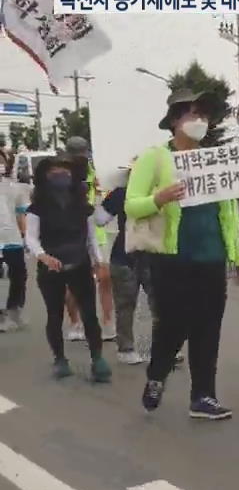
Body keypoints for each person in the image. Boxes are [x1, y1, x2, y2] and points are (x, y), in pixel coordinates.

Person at [127, 88, 239, 420]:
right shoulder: (155, 157)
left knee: (208, 328)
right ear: (174, 121)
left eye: (204, 115)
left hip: (211, 258)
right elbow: (131, 204)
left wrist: (238, 256)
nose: (199, 121)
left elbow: (230, 212)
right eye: (191, 114)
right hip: (170, 258)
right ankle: (157, 375)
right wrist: (159, 198)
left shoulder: (214, 158)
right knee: (172, 326)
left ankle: (203, 397)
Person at [24, 156, 112, 382]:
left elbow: (91, 237)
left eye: (64, 170)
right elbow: (31, 238)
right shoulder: (37, 208)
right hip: (51, 268)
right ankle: (60, 360)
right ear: (44, 176)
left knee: (90, 315)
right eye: (54, 171)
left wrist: (99, 261)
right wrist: (43, 256)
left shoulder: (83, 206)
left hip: (80, 264)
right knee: (55, 315)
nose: (60, 174)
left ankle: (98, 359)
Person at [95, 161, 158, 365]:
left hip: (147, 255)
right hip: (130, 256)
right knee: (129, 305)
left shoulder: (125, 193)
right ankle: (127, 348)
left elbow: (100, 218)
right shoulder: (128, 194)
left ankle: (159, 346)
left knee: (156, 304)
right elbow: (99, 220)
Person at [64, 136, 115, 342]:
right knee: (73, 282)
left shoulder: (94, 171)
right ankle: (75, 323)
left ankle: (108, 322)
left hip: (97, 230)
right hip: (71, 232)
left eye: (83, 154)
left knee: (105, 278)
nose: (80, 159)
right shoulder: (62, 174)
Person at [1, 153, 31, 332]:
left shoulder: (15, 188)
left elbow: (21, 214)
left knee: (18, 276)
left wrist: (25, 237)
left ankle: (14, 309)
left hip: (12, 239)